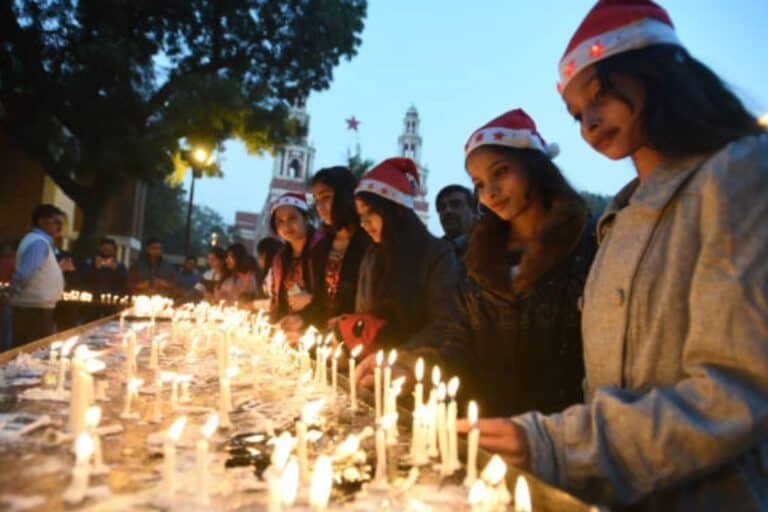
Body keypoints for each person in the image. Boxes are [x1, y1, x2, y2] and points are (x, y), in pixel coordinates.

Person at [458, 2, 768, 510]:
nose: (588, 123)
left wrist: (557, 444)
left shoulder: (738, 174)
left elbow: (735, 391)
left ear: (654, 72)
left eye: (599, 94)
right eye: (577, 114)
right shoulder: (618, 222)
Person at [360, 110, 595, 416]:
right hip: (488, 424)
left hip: (563, 431)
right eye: (479, 183)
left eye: (500, 173)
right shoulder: (481, 257)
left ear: (534, 168)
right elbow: (458, 337)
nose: (490, 192)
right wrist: (406, 364)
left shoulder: (586, 244)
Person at [338, 157, 458, 360]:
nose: (364, 223)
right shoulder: (372, 256)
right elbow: (364, 315)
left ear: (396, 210)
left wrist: (398, 359)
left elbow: (444, 324)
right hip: (370, 366)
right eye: (360, 215)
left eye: (371, 212)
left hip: (413, 369)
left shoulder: (436, 254)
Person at [306, 166, 370, 330]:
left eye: (325, 197)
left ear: (346, 196)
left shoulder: (369, 244)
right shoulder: (321, 248)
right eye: (316, 199)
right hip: (322, 336)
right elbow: (319, 299)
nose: (319, 206)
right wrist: (301, 320)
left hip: (356, 336)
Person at [8, 204, 67, 347]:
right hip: (33, 308)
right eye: (56, 222)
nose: (59, 228)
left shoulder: (40, 242)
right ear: (41, 221)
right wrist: (12, 293)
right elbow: (24, 273)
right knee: (32, 353)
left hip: (36, 306)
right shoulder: (38, 242)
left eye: (61, 224)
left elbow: (37, 271)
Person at [267, 193, 323, 333]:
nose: (286, 225)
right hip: (289, 329)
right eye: (280, 221)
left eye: (292, 218)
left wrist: (311, 299)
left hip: (318, 328)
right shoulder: (280, 259)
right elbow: (276, 298)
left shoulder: (323, 249)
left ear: (305, 217)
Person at [435, 184, 476, 263]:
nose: (447, 210)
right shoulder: (432, 252)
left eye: (455, 204)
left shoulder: (490, 247)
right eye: (442, 207)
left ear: (473, 210)